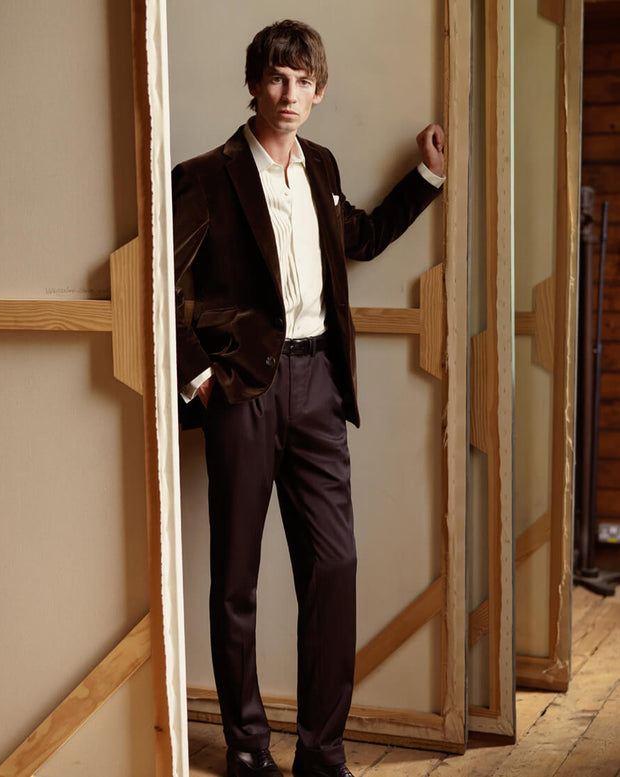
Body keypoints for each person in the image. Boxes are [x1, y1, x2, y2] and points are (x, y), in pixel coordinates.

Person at [173, 19, 445, 777]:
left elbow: (355, 236)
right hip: (242, 393)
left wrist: (425, 180)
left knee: (334, 564)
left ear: (319, 91)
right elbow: (161, 286)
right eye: (276, 78)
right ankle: (249, 749)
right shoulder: (202, 176)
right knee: (236, 580)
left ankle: (321, 753)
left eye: (303, 80)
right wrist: (201, 378)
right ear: (255, 84)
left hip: (318, 383)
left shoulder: (320, 165)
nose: (288, 93)